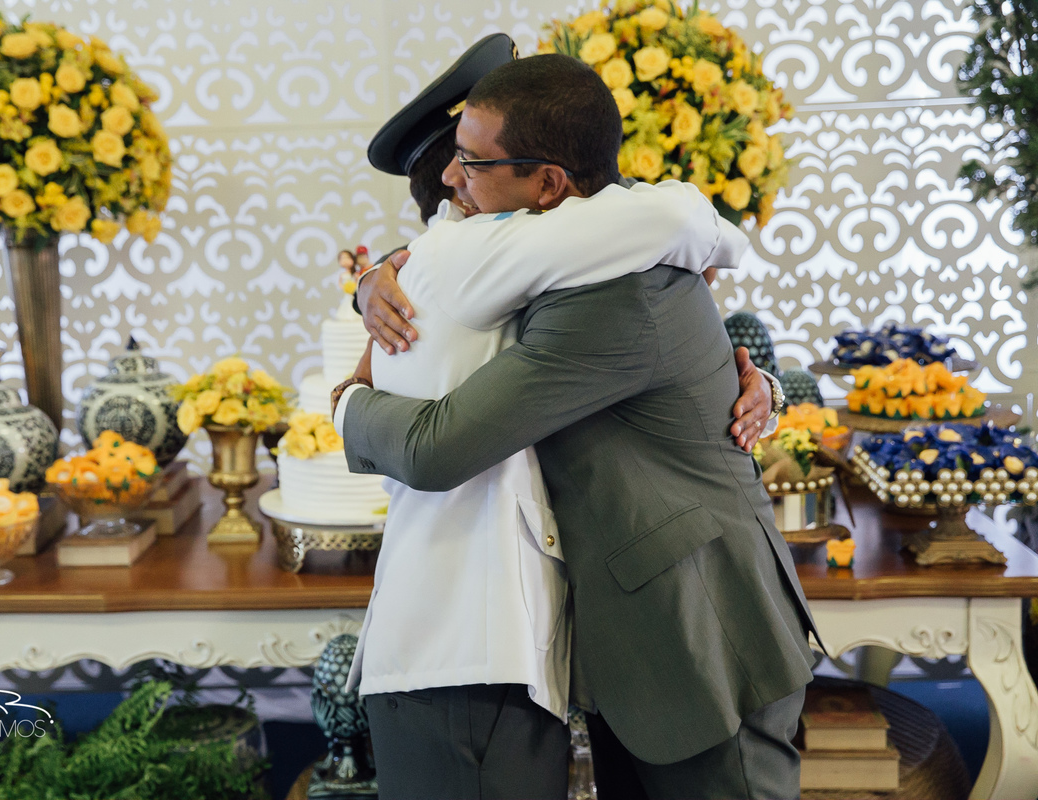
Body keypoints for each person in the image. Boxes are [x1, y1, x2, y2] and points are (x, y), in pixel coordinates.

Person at [336, 54, 818, 800]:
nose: (453, 188)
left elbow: (438, 448)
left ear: (550, 183)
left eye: (469, 167)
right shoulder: (572, 251)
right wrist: (376, 277)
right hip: (636, 647)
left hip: (704, 634)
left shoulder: (615, 294)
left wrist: (344, 402)